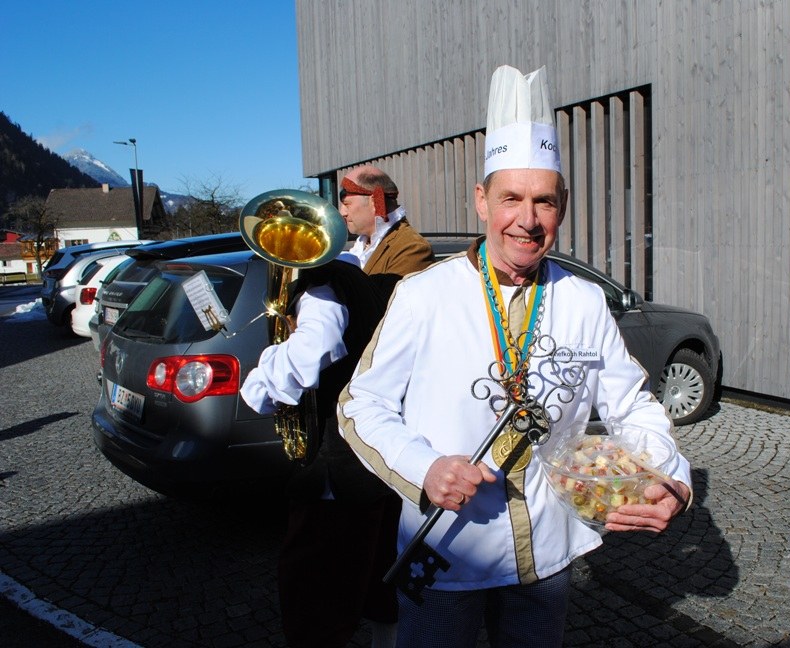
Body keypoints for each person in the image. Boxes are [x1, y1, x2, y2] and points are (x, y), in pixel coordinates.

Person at [337, 65, 693, 647]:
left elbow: (632, 406)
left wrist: (671, 477)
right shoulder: (424, 294)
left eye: (543, 201)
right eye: (511, 198)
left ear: (562, 206)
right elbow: (359, 405)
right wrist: (424, 468)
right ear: (482, 201)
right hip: (444, 550)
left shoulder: (583, 300)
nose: (527, 220)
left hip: (546, 556)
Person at [240, 254, 397, 646]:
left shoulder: (321, 286)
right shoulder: (351, 273)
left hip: (336, 473)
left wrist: (259, 386)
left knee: (314, 597)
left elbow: (317, 346)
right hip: (368, 462)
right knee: (378, 577)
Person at [338, 165, 435, 297]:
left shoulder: (413, 248)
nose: (342, 212)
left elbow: (387, 305)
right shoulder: (363, 243)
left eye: (347, 204)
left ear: (374, 201)